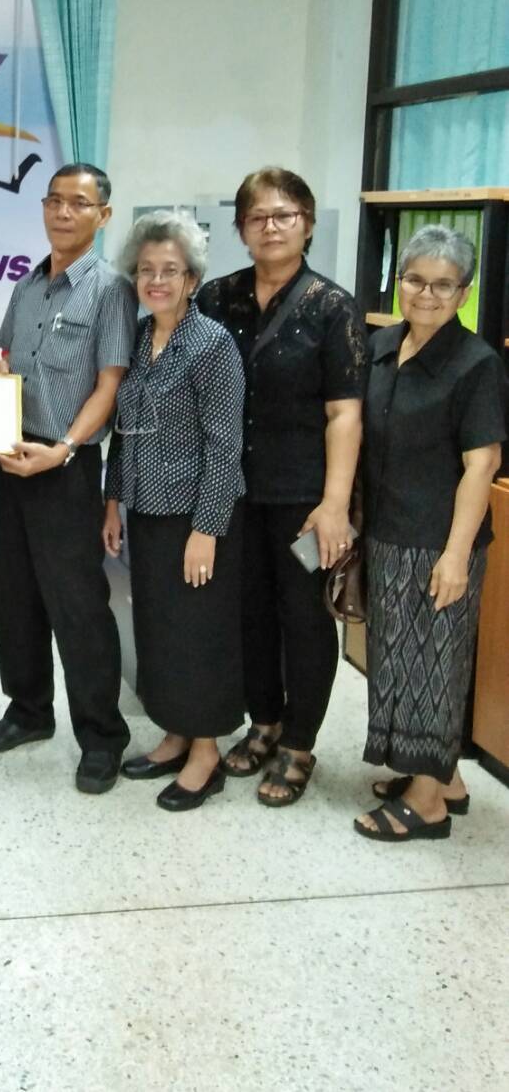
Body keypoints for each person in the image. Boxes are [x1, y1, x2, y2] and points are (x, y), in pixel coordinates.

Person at [196, 167, 366, 806]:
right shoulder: (217, 298)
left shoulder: (333, 307)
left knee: (305, 619)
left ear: (308, 224)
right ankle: (263, 721)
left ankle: (299, 744)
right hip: (230, 489)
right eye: (257, 216)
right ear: (241, 228)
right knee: (248, 613)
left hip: (303, 497)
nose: (271, 227)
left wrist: (335, 505)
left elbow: (344, 413)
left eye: (285, 215)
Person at [0, 163, 137, 794]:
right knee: (13, 595)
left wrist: (62, 449)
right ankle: (28, 711)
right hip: (12, 457)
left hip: (66, 466)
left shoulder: (111, 290)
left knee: (78, 605)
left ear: (103, 215)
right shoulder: (27, 285)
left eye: (79, 203)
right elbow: (5, 363)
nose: (64, 213)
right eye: (55, 201)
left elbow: (109, 386)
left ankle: (102, 737)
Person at [355, 225, 506, 842]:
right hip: (387, 531)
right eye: (416, 279)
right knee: (397, 662)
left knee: (434, 668)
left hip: (439, 542)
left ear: (464, 293)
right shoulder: (381, 345)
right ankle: (445, 779)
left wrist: (455, 555)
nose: (427, 293)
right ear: (399, 282)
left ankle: (427, 805)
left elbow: (482, 464)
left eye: (444, 285)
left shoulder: (476, 364)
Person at [102, 210, 245, 811]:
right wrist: (113, 502)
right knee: (158, 630)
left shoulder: (213, 345)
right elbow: (121, 431)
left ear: (192, 279)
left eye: (170, 270)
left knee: (198, 634)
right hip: (145, 511)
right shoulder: (138, 338)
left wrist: (206, 530)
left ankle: (206, 752)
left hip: (194, 517)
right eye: (146, 270)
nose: (156, 281)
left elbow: (225, 446)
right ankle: (176, 734)